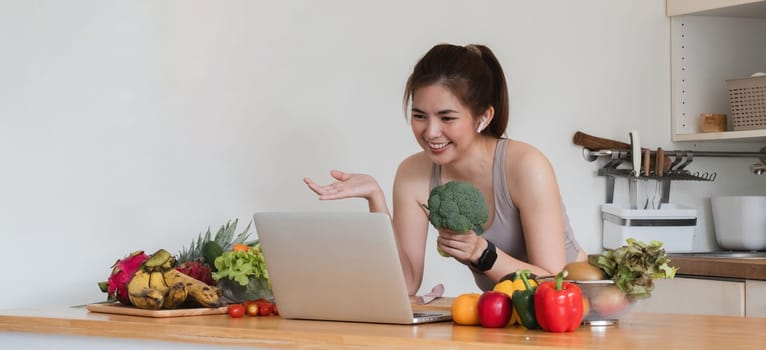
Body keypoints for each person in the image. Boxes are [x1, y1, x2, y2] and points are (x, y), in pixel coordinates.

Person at [304, 43, 586, 295]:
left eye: (447, 117)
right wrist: (375, 198)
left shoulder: (526, 166)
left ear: (484, 117)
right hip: (504, 313)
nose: (431, 132)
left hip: (574, 311)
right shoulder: (412, 175)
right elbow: (407, 284)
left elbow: (553, 283)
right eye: (419, 116)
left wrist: (482, 253)